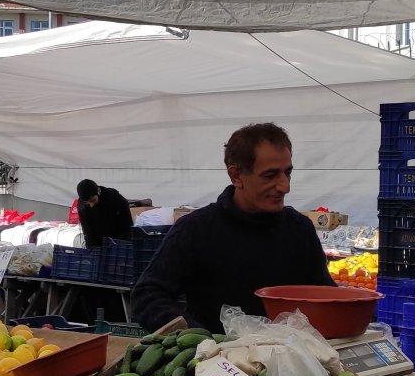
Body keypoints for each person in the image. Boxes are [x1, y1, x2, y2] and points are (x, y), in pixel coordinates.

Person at [132, 122, 334, 333]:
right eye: (270, 175)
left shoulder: (299, 229)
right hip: (216, 361)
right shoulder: (197, 229)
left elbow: (324, 294)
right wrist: (200, 340)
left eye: (288, 172)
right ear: (236, 176)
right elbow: (148, 295)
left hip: (289, 360)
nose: (285, 186)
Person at [76, 178, 133, 248]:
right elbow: (87, 231)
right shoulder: (82, 206)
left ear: (98, 192)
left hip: (118, 241)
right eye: (87, 203)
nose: (91, 205)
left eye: (93, 200)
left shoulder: (114, 197)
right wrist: (92, 249)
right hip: (99, 243)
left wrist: (122, 243)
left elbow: (127, 224)